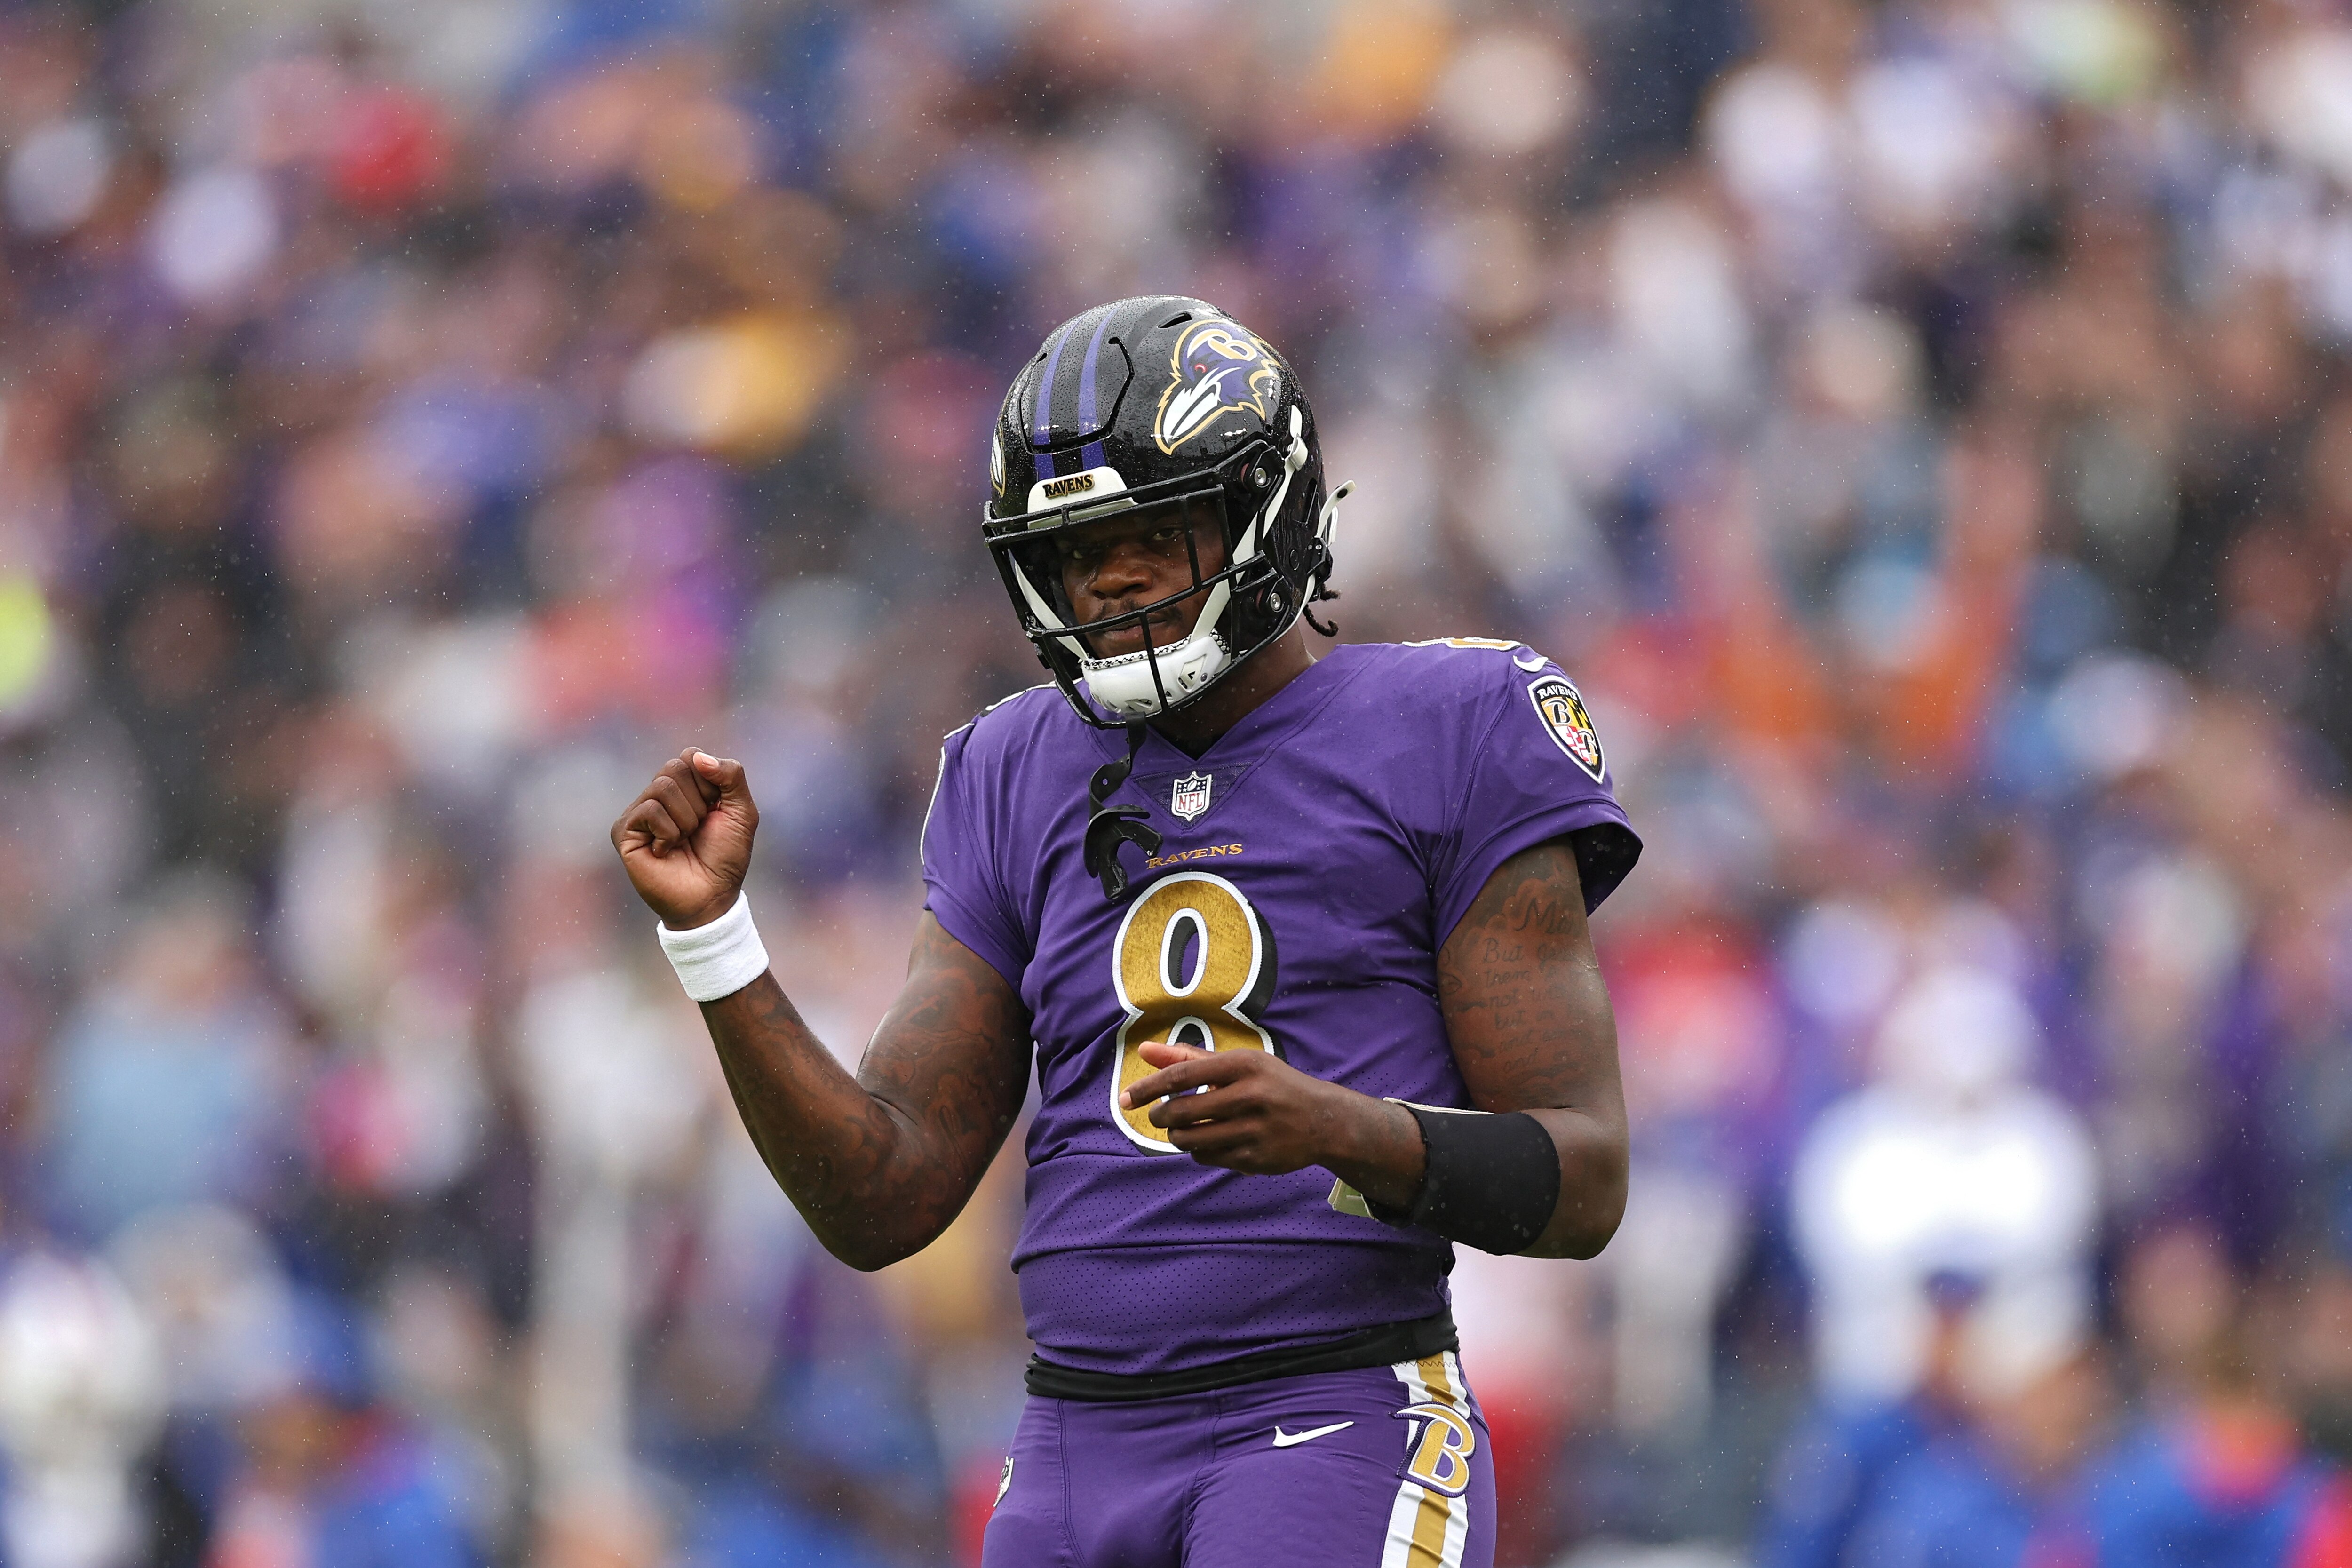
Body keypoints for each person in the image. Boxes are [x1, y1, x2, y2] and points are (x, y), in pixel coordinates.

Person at [611, 295, 1641, 1568]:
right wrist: (717, 942)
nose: (1112, 577)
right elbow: (884, 1194)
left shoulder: (1458, 721)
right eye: (1078, 550)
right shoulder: (1005, 767)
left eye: (1155, 529)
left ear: (1267, 507)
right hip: (1065, 1445)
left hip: (1333, 1414)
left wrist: (1340, 1130)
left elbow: (1583, 1178)